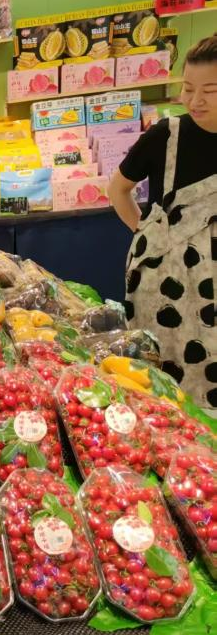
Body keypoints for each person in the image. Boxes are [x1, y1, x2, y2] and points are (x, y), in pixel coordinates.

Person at [108, 33, 217, 410]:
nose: (195, 100)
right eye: (188, 88)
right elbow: (118, 190)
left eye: (209, 91)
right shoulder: (165, 136)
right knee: (160, 387)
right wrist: (147, 234)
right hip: (163, 290)